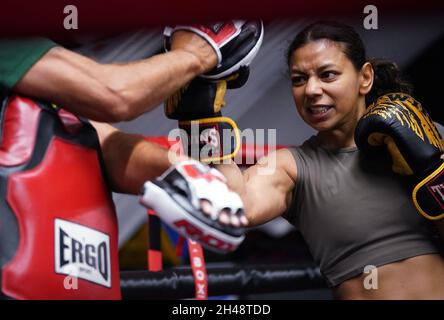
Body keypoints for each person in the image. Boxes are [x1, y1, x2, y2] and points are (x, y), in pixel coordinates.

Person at [170, 21, 444, 299]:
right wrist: (200, 120)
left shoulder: (426, 134)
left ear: (365, 78)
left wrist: (431, 170)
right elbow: (233, 206)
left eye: (327, 75)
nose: (311, 90)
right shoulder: (294, 167)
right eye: (299, 79)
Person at [0, 21, 261, 299]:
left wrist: (184, 170)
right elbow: (114, 95)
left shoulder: (39, 87)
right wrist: (198, 53)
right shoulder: (10, 45)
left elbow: (107, 144)